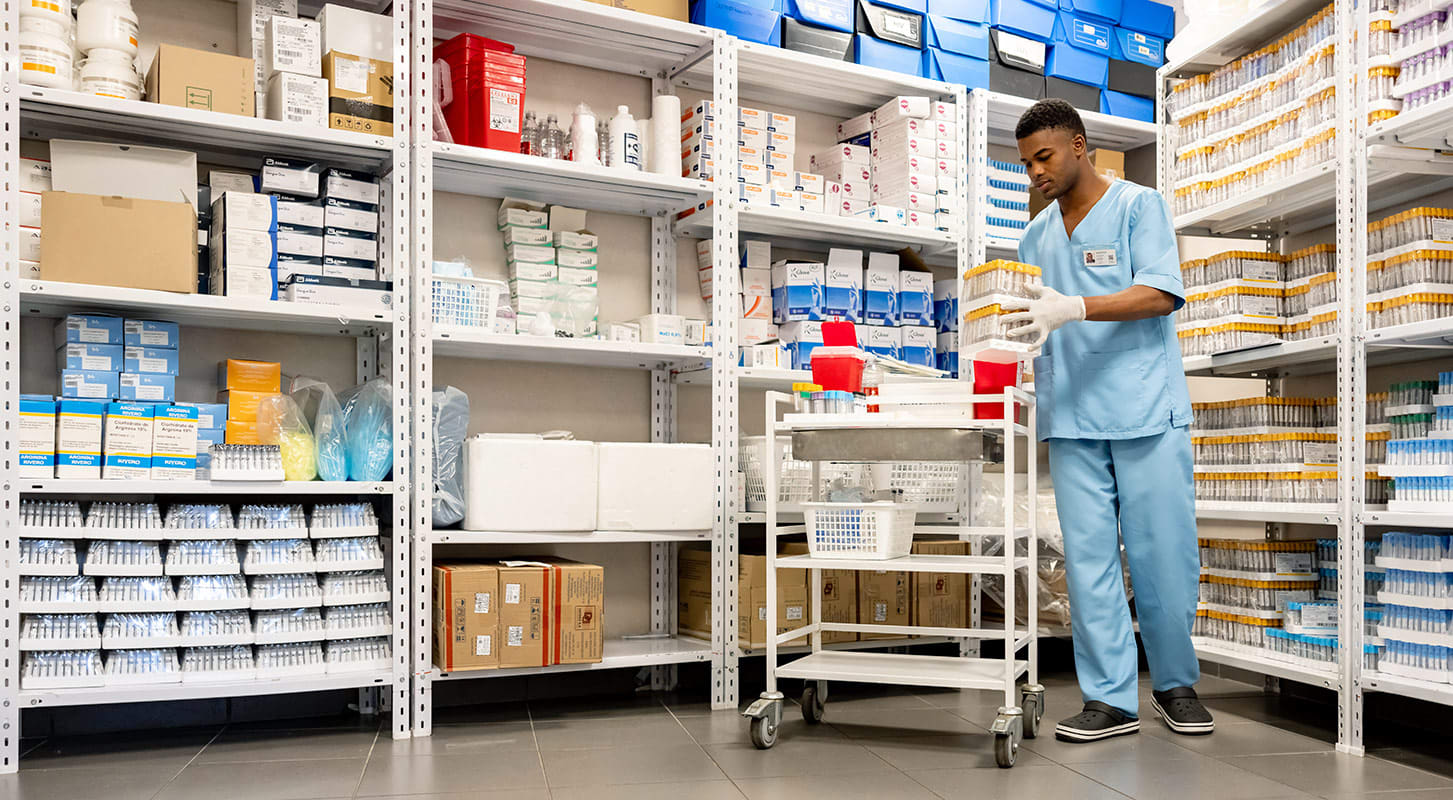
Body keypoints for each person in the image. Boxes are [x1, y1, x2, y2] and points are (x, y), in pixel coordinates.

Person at [1001, 99, 1214, 743]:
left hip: (1145, 408)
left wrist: (1075, 308)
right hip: (1071, 415)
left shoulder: (1137, 206)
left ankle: (1175, 682)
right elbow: (1028, 318)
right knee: (1088, 561)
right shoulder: (1035, 236)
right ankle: (1110, 699)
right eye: (1027, 163)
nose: (1037, 172)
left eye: (1046, 155)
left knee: (1162, 554)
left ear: (1081, 145)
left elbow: (1162, 292)